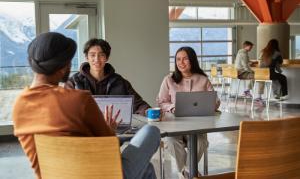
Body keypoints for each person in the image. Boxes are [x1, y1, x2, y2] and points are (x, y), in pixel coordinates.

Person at [12, 32, 160, 179]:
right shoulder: (79, 99)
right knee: (151, 131)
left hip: (55, 175)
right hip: (101, 174)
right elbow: (109, 150)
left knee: (146, 168)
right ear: (64, 65)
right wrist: (110, 130)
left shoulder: (18, 106)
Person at [157, 46, 220, 179]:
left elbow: (215, 101)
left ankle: (185, 172)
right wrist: (172, 107)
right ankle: (189, 172)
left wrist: (211, 104)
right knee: (171, 141)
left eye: (185, 59)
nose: (181, 62)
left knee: (201, 142)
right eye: (178, 59)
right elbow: (161, 102)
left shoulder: (203, 79)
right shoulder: (169, 79)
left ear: (192, 60)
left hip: (198, 126)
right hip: (175, 125)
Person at [65, 38, 150, 115]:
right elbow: (65, 109)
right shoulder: (74, 82)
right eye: (92, 55)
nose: (97, 59)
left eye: (101, 55)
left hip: (116, 128)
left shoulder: (120, 81)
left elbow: (139, 104)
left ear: (107, 58)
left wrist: (148, 111)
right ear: (87, 57)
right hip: (84, 129)